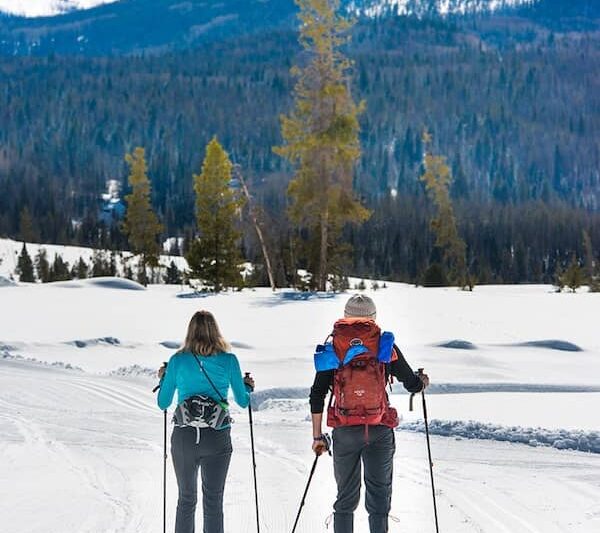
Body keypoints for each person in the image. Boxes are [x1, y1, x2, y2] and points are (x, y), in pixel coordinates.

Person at [309, 294, 429, 533]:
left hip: (344, 431)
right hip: (379, 429)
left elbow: (317, 394)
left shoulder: (333, 347)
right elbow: (411, 384)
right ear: (373, 318)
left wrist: (317, 436)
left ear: (345, 316)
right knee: (379, 499)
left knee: (345, 499)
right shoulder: (384, 345)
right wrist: (421, 381)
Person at [157, 310, 255, 533]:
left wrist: (164, 379)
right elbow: (242, 401)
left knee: (186, 499)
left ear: (190, 332)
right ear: (216, 331)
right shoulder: (229, 360)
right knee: (213, 502)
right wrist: (247, 386)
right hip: (217, 436)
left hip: (184, 437)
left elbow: (163, 402)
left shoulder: (177, 361)